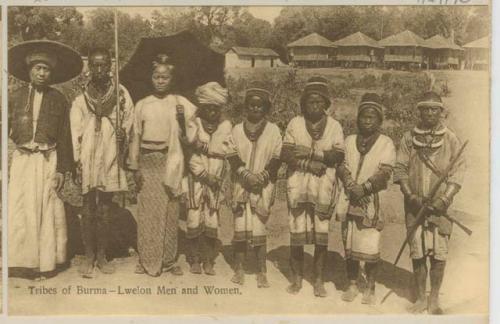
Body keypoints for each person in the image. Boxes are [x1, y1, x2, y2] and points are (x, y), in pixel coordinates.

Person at [8, 40, 82, 280]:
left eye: (46, 69)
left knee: (46, 208)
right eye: (37, 68)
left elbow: (64, 137)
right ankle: (20, 263)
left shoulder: (59, 99)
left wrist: (62, 170)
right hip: (22, 160)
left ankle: (45, 263)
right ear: (29, 71)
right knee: (21, 208)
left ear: (52, 73)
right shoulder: (15, 97)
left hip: (47, 159)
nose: (41, 73)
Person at [393, 91, 466, 314]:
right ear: (420, 111)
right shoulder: (408, 139)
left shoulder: (451, 139)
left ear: (441, 112)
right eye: (425, 109)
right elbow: (400, 169)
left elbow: (458, 171)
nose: (430, 113)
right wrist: (411, 196)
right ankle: (420, 298)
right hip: (414, 207)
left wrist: (444, 199)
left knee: (439, 253)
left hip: (439, 209)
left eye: (434, 109)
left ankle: (434, 298)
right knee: (418, 251)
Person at [127, 54, 196, 277]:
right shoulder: (142, 105)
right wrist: (134, 166)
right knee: (147, 212)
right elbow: (135, 137)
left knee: (171, 211)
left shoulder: (180, 104)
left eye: (165, 77)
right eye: (156, 77)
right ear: (151, 78)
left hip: (170, 161)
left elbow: (193, 132)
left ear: (171, 79)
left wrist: (185, 131)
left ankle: (168, 260)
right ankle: (146, 258)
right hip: (147, 161)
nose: (160, 81)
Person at [70, 48, 135, 277]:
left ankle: (102, 256)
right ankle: (88, 256)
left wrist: (123, 134)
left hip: (110, 153)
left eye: (103, 65)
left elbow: (129, 121)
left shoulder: (121, 94)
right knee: (88, 208)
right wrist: (77, 159)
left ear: (110, 66)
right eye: (95, 65)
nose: (99, 69)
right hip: (88, 154)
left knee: (105, 208)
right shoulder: (81, 97)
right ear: (89, 67)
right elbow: (75, 129)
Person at [281, 76, 345, 297]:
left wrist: (310, 152)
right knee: (297, 233)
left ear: (326, 104)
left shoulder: (335, 126)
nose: (315, 106)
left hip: (323, 187)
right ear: (304, 103)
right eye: (310, 102)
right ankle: (297, 279)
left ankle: (318, 280)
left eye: (319, 102)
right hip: (298, 185)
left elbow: (337, 154)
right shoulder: (295, 124)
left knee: (321, 235)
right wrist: (310, 163)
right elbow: (286, 153)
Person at [336, 93, 396, 305]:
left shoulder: (386, 143)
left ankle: (370, 287)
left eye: (372, 117)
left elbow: (385, 172)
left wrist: (365, 188)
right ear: (358, 118)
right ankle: (352, 283)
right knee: (350, 245)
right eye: (363, 116)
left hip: (371, 202)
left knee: (370, 245)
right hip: (350, 198)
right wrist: (351, 185)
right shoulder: (350, 140)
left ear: (379, 120)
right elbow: (342, 165)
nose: (367, 121)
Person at [228, 82, 282, 288]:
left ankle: (261, 270)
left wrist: (262, 177)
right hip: (242, 185)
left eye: (260, 106)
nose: (255, 109)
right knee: (240, 228)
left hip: (262, 186)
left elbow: (277, 157)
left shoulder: (273, 130)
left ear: (266, 108)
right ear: (246, 106)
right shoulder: (236, 129)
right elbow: (231, 155)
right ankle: (240, 268)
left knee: (259, 228)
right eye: (251, 105)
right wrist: (246, 175)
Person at [185, 82, 232, 275]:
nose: (212, 112)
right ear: (202, 107)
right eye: (208, 108)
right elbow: (190, 152)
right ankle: (195, 259)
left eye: (216, 108)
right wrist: (204, 175)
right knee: (194, 216)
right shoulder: (194, 123)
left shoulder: (226, 125)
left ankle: (208, 259)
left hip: (217, 177)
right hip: (196, 178)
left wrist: (205, 148)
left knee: (212, 217)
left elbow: (226, 149)